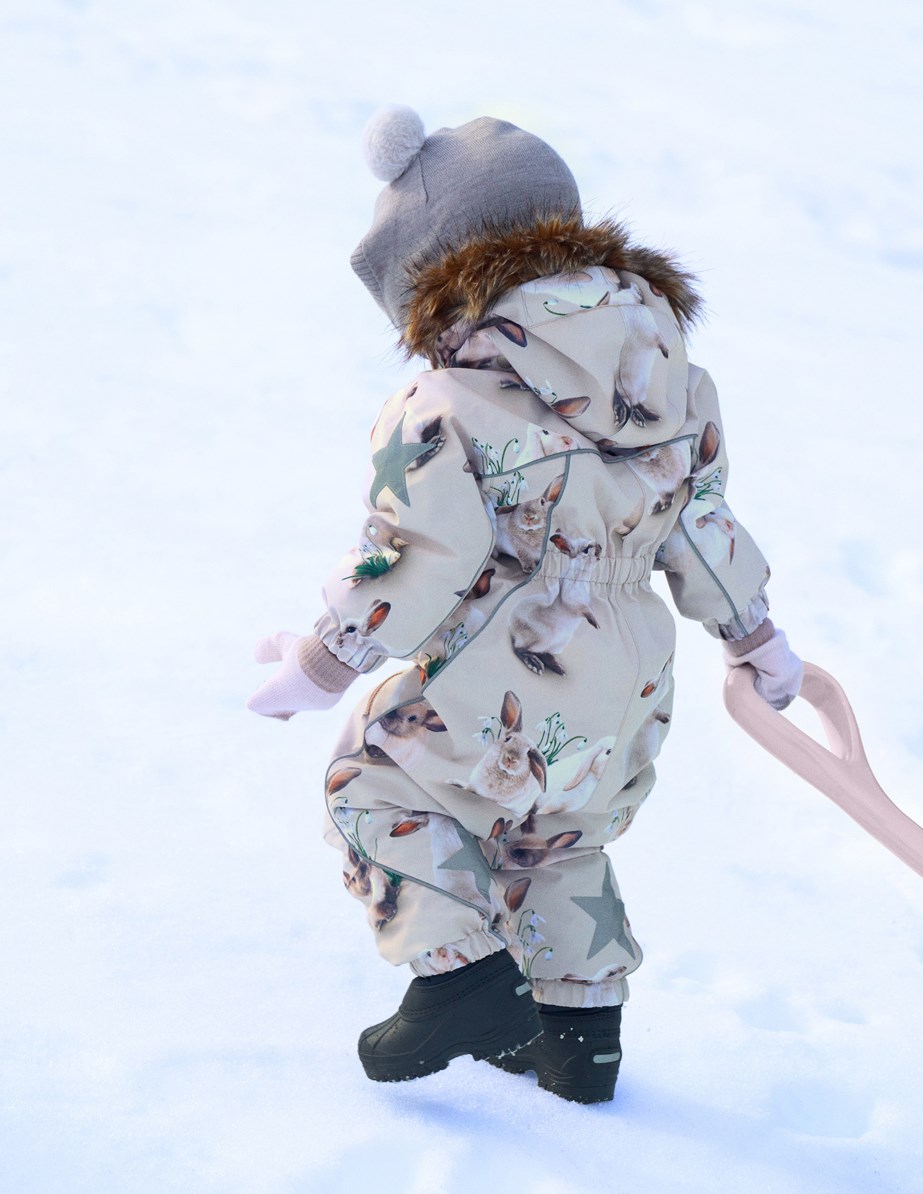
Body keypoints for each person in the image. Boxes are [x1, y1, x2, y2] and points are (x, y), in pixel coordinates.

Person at [247, 106, 803, 1103]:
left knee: (372, 780)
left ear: (435, 276)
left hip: (513, 652)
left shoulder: (445, 404)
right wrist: (752, 637)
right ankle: (579, 1037)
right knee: (553, 833)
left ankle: (462, 979)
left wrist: (322, 660)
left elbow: (416, 554)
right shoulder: (672, 380)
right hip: (629, 666)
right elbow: (701, 522)